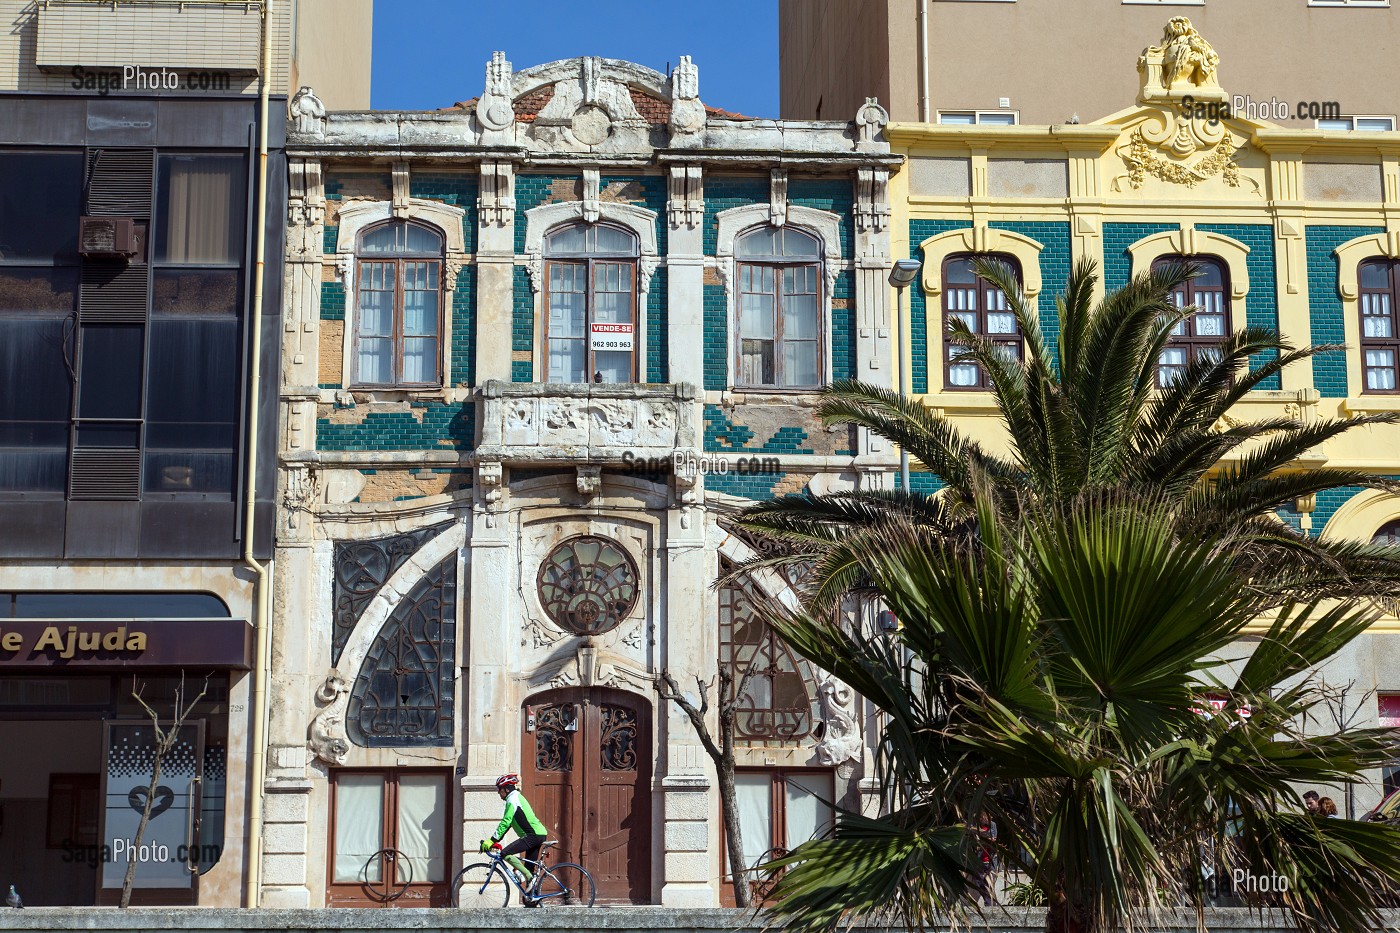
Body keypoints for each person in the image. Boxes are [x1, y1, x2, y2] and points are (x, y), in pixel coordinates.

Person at [488, 773, 549, 887]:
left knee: (505, 853)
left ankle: (529, 877)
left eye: (499, 789)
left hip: (533, 835)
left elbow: (506, 822)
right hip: (537, 834)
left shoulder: (512, 800)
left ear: (506, 789)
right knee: (529, 868)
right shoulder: (516, 797)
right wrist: (495, 840)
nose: (498, 792)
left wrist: (491, 840)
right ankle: (531, 900)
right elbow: (509, 823)